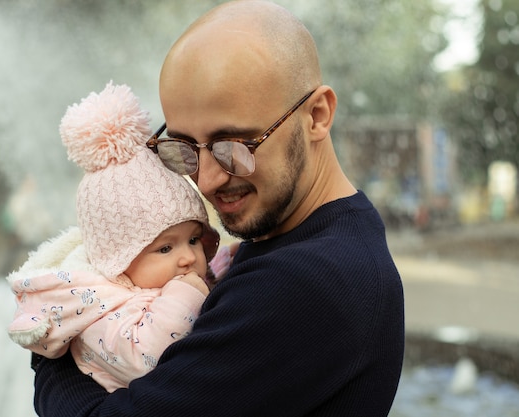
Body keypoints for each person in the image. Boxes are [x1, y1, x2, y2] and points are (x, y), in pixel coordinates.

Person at [32, 1, 405, 416]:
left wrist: (55, 341)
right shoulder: (316, 235)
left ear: (316, 115)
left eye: (233, 147)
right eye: (184, 148)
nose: (206, 180)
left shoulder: (305, 283)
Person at [6, 81, 221, 392]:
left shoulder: (165, 282)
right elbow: (143, 361)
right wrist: (185, 295)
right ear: (117, 260)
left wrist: (228, 262)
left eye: (193, 239)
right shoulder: (99, 309)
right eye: (164, 248)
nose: (188, 257)